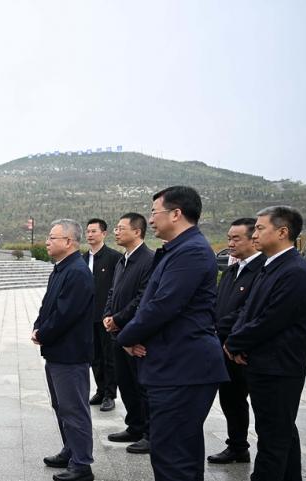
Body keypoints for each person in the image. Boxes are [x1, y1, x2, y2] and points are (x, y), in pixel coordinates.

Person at [116, 186, 228, 481]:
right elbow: (151, 302)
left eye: (155, 212)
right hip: (174, 367)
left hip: (183, 368)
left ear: (176, 214)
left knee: (174, 458)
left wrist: (124, 337)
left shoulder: (191, 251)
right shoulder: (177, 250)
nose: (151, 219)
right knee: (175, 453)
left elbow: (163, 305)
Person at [225, 206, 306, 481]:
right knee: (281, 432)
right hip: (262, 363)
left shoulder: (295, 271)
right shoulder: (271, 266)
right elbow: (247, 311)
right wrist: (236, 341)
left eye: (259, 228)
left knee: (272, 439)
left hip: (279, 366)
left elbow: (271, 319)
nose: (254, 234)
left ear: (282, 232)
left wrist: (235, 343)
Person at [32, 219, 96, 481]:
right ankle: (70, 450)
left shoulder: (77, 272)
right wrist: (38, 326)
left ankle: (82, 464)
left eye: (52, 237)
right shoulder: (61, 269)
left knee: (74, 409)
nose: (47, 242)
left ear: (68, 242)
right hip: (57, 351)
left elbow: (65, 314)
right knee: (61, 406)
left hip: (71, 354)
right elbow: (48, 305)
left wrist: (43, 333)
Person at [207, 218, 265, 464]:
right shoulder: (231, 270)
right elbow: (218, 304)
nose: (230, 243)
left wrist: (221, 329)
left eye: (236, 239)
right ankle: (238, 446)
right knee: (231, 399)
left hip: (246, 348)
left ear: (253, 239)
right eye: (229, 238)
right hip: (225, 345)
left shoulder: (262, 270)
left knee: (262, 408)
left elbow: (248, 311)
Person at [102, 213, 155, 454]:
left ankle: (150, 434)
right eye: (115, 228)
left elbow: (143, 298)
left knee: (141, 385)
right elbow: (113, 292)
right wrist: (108, 315)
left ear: (137, 231)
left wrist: (119, 319)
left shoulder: (149, 260)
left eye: (121, 228)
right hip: (118, 332)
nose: (116, 232)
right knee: (125, 383)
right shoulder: (123, 260)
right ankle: (134, 426)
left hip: (136, 334)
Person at [82, 218, 123, 412]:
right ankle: (100, 390)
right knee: (94, 357)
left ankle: (109, 394)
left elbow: (117, 287)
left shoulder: (114, 258)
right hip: (87, 316)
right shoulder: (82, 259)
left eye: (94, 231)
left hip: (106, 316)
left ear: (104, 234)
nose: (90, 235)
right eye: (88, 231)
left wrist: (113, 313)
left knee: (109, 357)